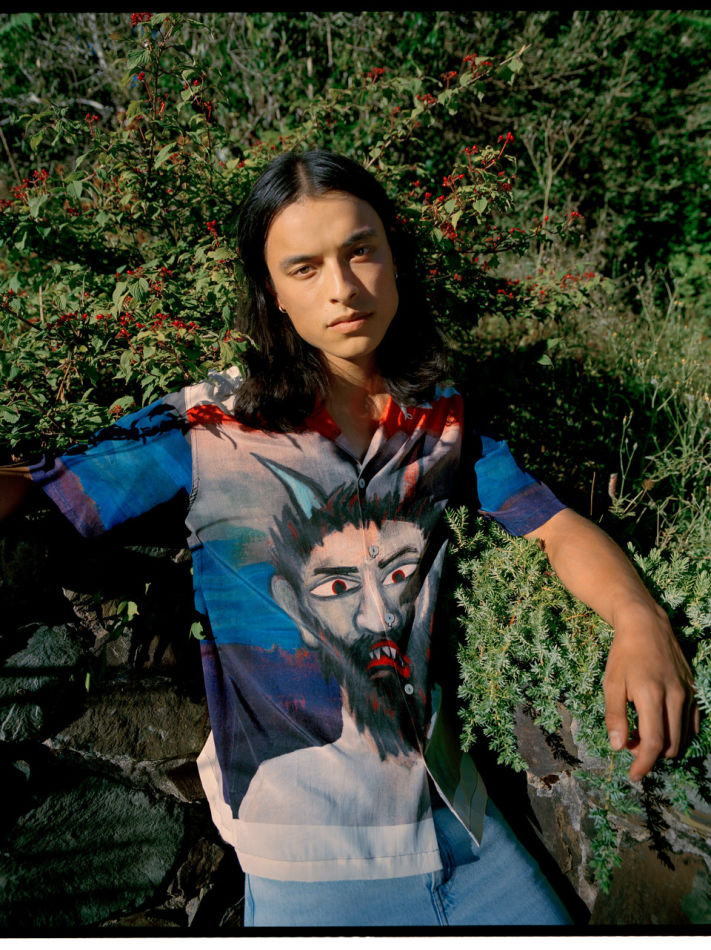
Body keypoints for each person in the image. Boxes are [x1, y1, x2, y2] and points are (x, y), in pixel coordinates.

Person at [0, 149, 697, 928]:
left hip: (465, 829)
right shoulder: (208, 427)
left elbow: (552, 522)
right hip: (312, 865)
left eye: (359, 250)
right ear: (271, 292)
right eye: (303, 268)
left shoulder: (438, 416)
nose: (341, 288)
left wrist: (638, 619)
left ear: (393, 254)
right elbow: (37, 486)